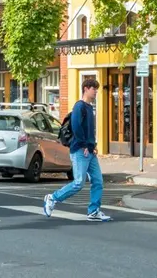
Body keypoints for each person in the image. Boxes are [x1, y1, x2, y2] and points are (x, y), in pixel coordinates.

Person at [44, 77, 110, 222]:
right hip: (80, 150)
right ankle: (53, 198)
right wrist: (84, 145)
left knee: (98, 181)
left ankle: (94, 211)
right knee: (79, 182)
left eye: (96, 89)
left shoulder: (89, 107)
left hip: (90, 151)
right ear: (86, 89)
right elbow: (76, 127)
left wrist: (93, 146)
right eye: (94, 89)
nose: (96, 92)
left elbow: (89, 130)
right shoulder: (79, 106)